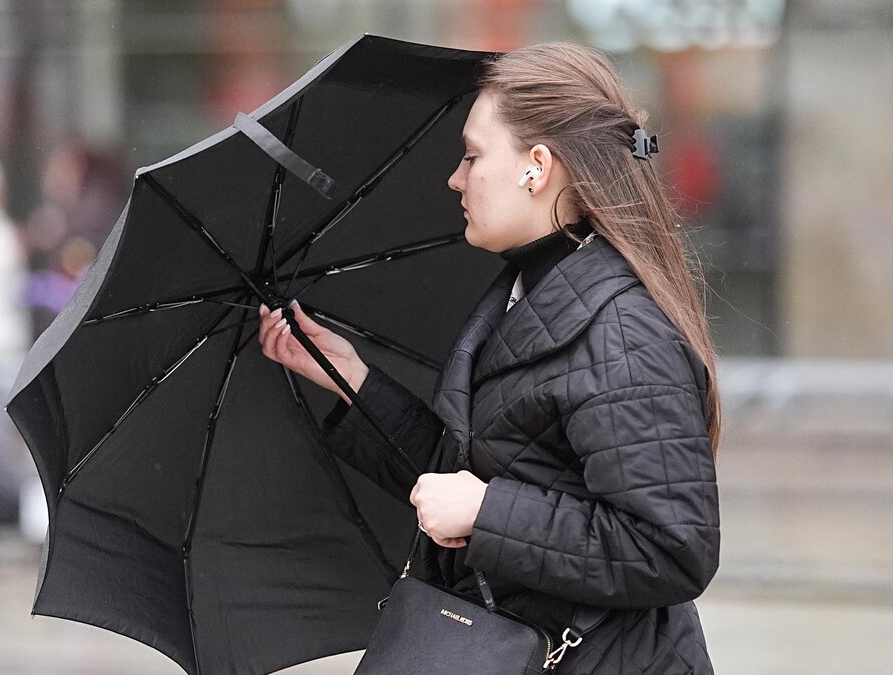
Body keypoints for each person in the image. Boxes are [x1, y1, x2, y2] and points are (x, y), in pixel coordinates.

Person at [258, 43, 720, 674]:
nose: (455, 178)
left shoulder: (621, 333)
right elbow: (487, 466)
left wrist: (485, 513)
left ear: (537, 167)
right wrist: (353, 381)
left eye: (473, 155)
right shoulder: (525, 293)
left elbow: (670, 549)